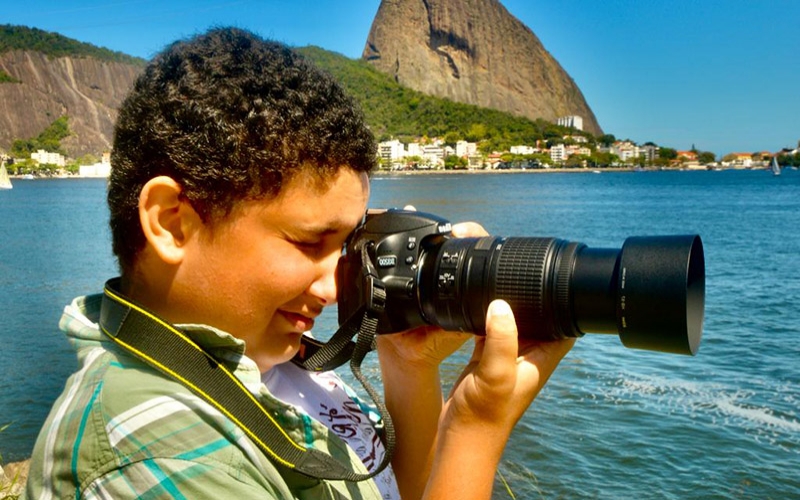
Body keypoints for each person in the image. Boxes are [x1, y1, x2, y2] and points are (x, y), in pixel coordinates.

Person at [23, 27, 574, 499]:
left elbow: (399, 490)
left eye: (348, 241)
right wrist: (475, 429)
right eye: (310, 243)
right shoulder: (151, 456)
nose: (335, 285)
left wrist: (409, 367)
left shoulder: (269, 358)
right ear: (172, 223)